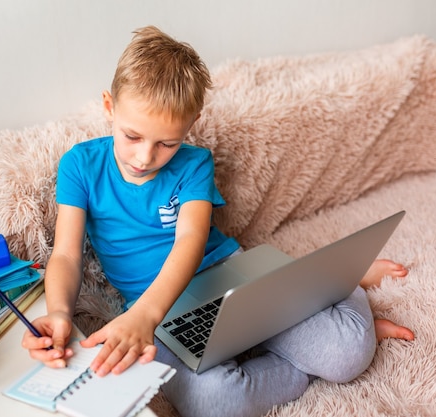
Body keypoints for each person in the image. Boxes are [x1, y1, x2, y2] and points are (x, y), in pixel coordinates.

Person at [22, 26, 414, 417]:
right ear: (109, 107)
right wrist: (59, 312)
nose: (145, 157)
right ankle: (309, 344)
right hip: (156, 310)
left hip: (230, 276)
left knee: (347, 353)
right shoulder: (80, 164)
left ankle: (341, 283)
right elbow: (67, 256)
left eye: (167, 144)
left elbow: (189, 243)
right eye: (132, 136)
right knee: (214, 403)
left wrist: (144, 316)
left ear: (192, 123)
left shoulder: (194, 164)